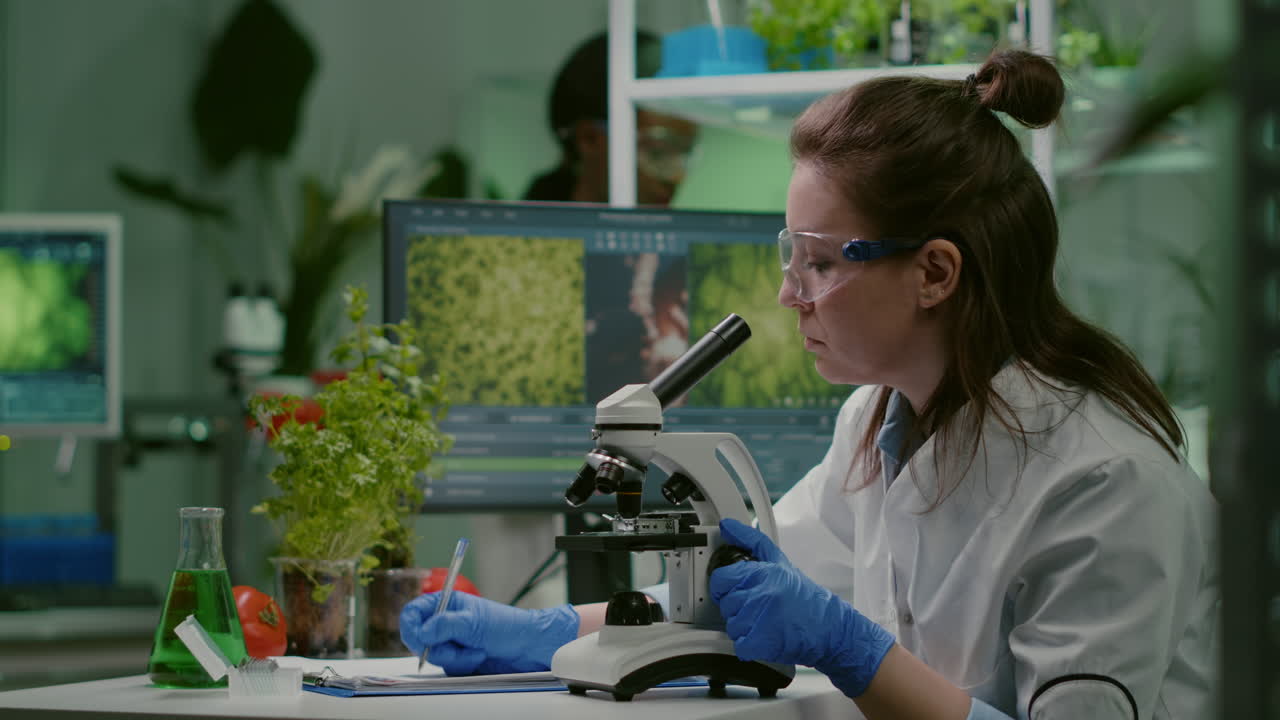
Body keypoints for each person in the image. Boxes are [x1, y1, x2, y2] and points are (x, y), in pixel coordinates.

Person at [401, 49, 1218, 719]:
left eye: (821, 262)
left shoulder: (1106, 482)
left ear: (935, 271)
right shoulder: (879, 419)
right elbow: (741, 591)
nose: (791, 293)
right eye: (790, 256)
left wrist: (855, 654)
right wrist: (543, 633)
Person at [523, 30, 699, 206]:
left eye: (685, 153)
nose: (677, 177)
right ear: (589, 138)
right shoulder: (532, 230)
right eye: (657, 153)